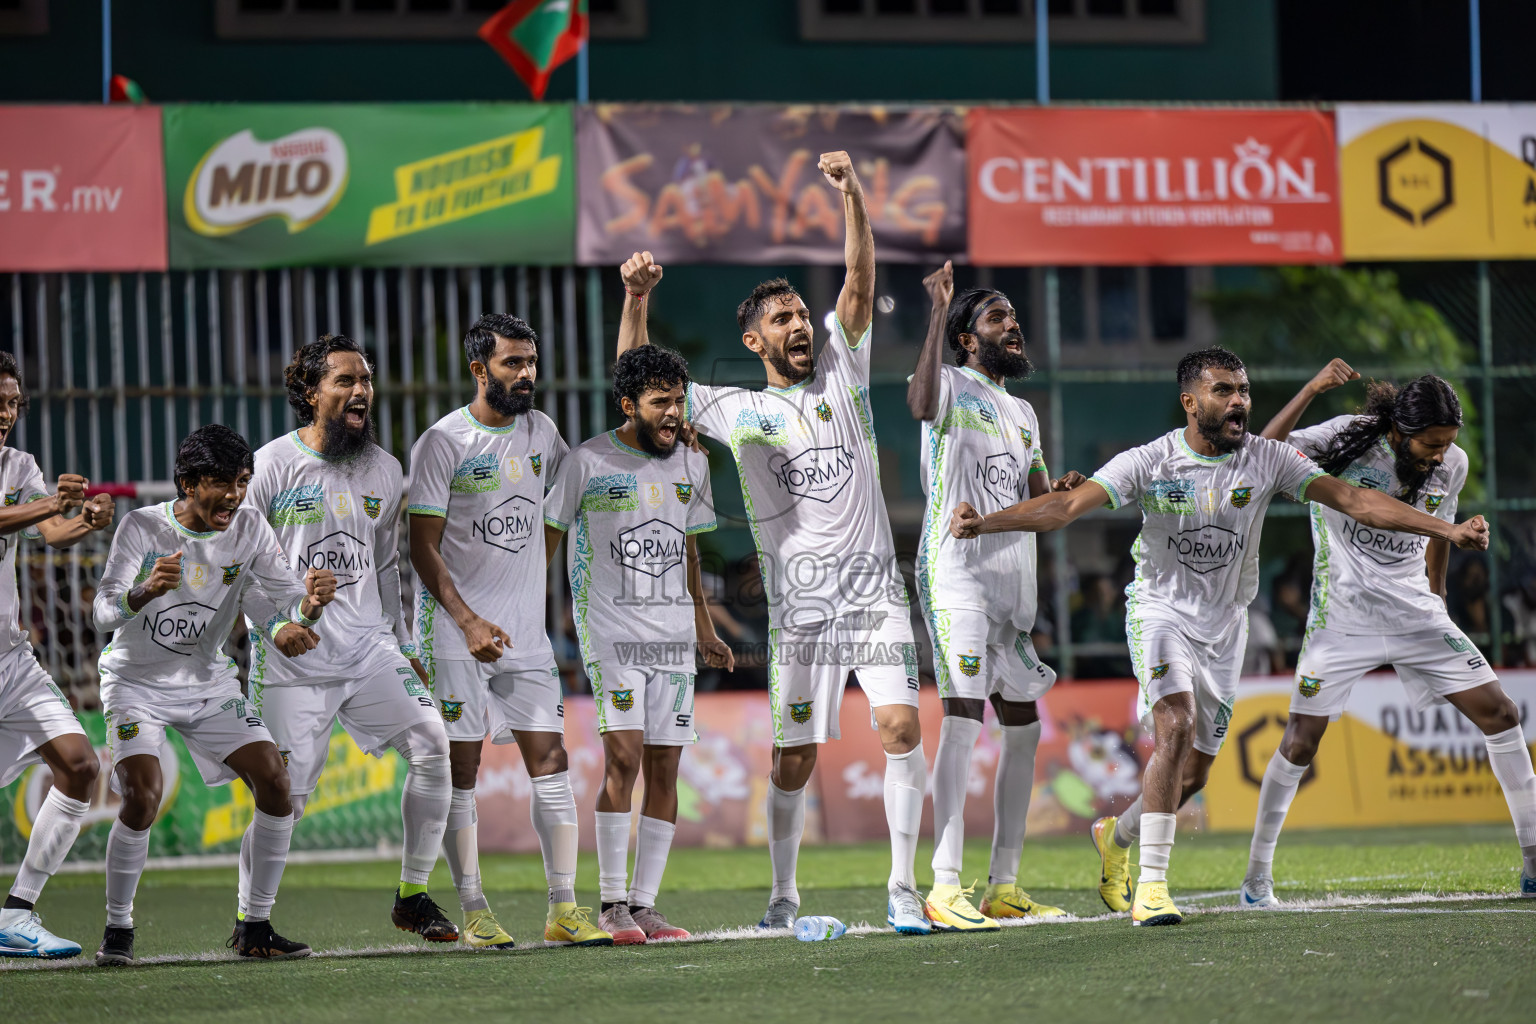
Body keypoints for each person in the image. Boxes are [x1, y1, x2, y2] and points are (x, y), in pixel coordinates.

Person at [949, 347, 1490, 926]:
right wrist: (988, 520)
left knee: (1197, 774)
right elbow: (1063, 508)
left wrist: (1447, 528)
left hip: (1226, 626)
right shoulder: (1150, 461)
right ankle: (1152, 888)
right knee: (1174, 724)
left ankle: (1117, 837)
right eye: (1224, 391)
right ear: (1190, 402)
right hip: (1160, 612)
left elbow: (1358, 500)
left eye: (1244, 391)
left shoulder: (1267, 459)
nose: (1239, 402)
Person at [615, 154, 933, 937]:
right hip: (801, 614)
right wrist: (636, 298)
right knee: (793, 761)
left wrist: (855, 194)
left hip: (871, 592)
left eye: (801, 313)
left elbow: (858, 277)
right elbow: (637, 376)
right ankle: (783, 894)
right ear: (755, 339)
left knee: (899, 728)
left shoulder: (843, 372)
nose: (799, 325)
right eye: (783, 319)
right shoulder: (733, 409)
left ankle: (902, 887)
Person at [1240, 363, 1536, 905]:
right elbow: (1263, 450)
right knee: (1301, 740)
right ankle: (1257, 879)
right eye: (1431, 443)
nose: (1442, 454)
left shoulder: (1454, 464)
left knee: (1502, 714)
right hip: (1342, 618)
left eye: (1449, 443)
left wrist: (1439, 598)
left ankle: (1534, 865)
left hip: (1415, 615)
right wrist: (1309, 389)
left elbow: (1436, 536)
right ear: (1399, 431)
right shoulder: (1346, 438)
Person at [241, 335, 458, 944]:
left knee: (432, 742)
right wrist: (277, 624)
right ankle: (252, 921)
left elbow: (388, 564)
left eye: (365, 380)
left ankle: (413, 895)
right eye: (345, 381)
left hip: (368, 651)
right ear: (311, 394)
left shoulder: (385, 470)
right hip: (294, 658)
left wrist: (402, 640)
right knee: (285, 798)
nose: (361, 390)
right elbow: (241, 569)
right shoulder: (269, 467)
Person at [92, 425, 336, 965]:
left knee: (276, 782)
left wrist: (312, 605)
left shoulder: (249, 528)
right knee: (142, 796)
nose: (234, 494)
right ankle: (118, 927)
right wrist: (142, 592)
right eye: (220, 482)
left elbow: (286, 595)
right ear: (187, 483)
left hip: (208, 684)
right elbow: (101, 612)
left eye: (242, 481)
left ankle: (256, 925)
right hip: (136, 683)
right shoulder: (142, 527)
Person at [408, 313, 610, 949]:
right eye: (511, 364)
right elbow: (421, 546)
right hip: (453, 633)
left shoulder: (542, 432)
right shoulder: (442, 444)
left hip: (523, 634)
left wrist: (525, 585)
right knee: (458, 768)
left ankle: (564, 910)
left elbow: (552, 512)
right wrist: (467, 620)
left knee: (551, 760)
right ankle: (473, 908)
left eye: (531, 361)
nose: (526, 374)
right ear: (479, 369)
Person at [906, 260, 1080, 930]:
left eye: (1013, 316)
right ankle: (944, 884)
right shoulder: (948, 384)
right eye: (997, 317)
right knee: (960, 716)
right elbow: (919, 405)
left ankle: (1003, 884)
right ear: (964, 338)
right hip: (959, 576)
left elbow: (1037, 498)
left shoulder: (1025, 411)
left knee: (1024, 727)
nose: (1013, 326)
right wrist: (935, 309)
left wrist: (1057, 491)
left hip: (1015, 585)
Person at [543, 343, 734, 943]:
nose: (674, 413)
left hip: (673, 640)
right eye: (660, 402)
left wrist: (705, 628)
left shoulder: (693, 465)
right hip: (612, 635)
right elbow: (548, 538)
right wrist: (535, 620)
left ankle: (647, 905)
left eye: (679, 401)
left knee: (666, 766)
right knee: (623, 757)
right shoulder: (587, 461)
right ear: (628, 405)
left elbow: (688, 550)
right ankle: (611, 903)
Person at [0, 352, 115, 959]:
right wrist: (52, 505)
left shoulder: (18, 464)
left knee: (79, 765)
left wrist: (88, 520)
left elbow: (50, 533)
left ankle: (17, 912)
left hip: (11, 660)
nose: (6, 413)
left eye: (14, 402)